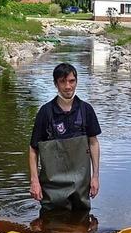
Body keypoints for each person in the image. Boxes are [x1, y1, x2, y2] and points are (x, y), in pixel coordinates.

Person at [28, 63, 101, 212]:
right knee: (50, 227)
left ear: (76, 82)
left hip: (81, 188)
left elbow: (93, 143)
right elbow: (33, 149)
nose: (68, 86)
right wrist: (34, 181)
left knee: (82, 227)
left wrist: (95, 177)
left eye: (71, 81)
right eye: (63, 81)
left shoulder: (86, 110)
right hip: (52, 190)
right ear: (55, 84)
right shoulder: (45, 112)